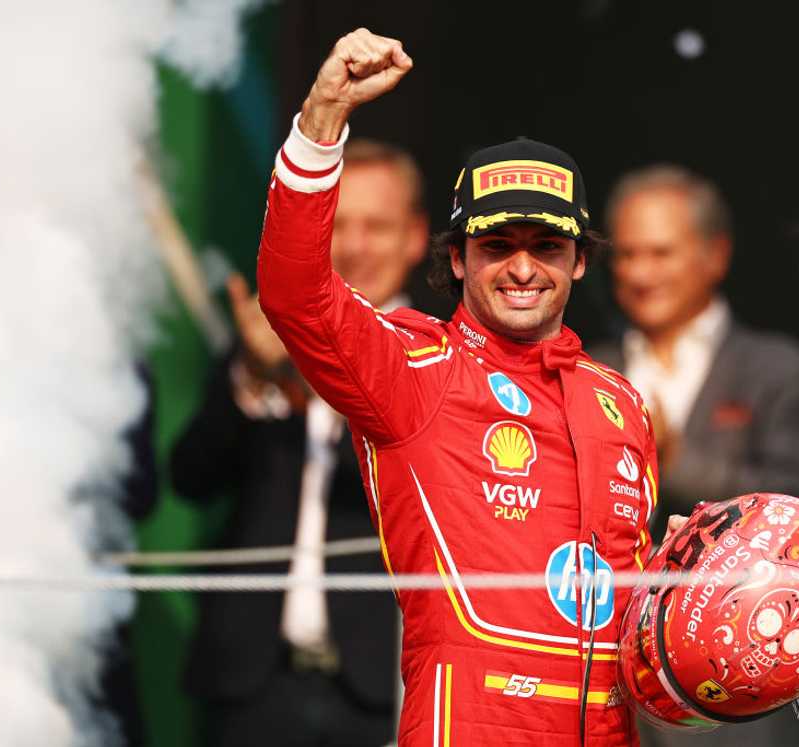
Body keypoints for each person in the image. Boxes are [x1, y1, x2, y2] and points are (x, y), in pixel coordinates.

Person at [257, 28, 663, 746]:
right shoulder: (414, 368)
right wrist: (322, 119)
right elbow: (295, 294)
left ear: (578, 263)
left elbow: (637, 601)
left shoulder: (621, 400)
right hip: (468, 722)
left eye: (547, 246)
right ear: (455, 258)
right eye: (496, 245)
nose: (523, 267)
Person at [171, 137, 428, 747]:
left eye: (378, 226)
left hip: (383, 686)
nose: (357, 246)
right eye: (338, 224)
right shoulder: (263, 340)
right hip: (251, 686)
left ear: (416, 237)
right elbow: (188, 477)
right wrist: (256, 376)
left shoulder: (435, 359)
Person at [591, 165, 799, 747]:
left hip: (730, 695)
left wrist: (671, 456)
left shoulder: (782, 372)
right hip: (599, 688)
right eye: (626, 256)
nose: (640, 273)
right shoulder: (581, 369)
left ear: (715, 255)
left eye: (660, 253)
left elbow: (795, 515)